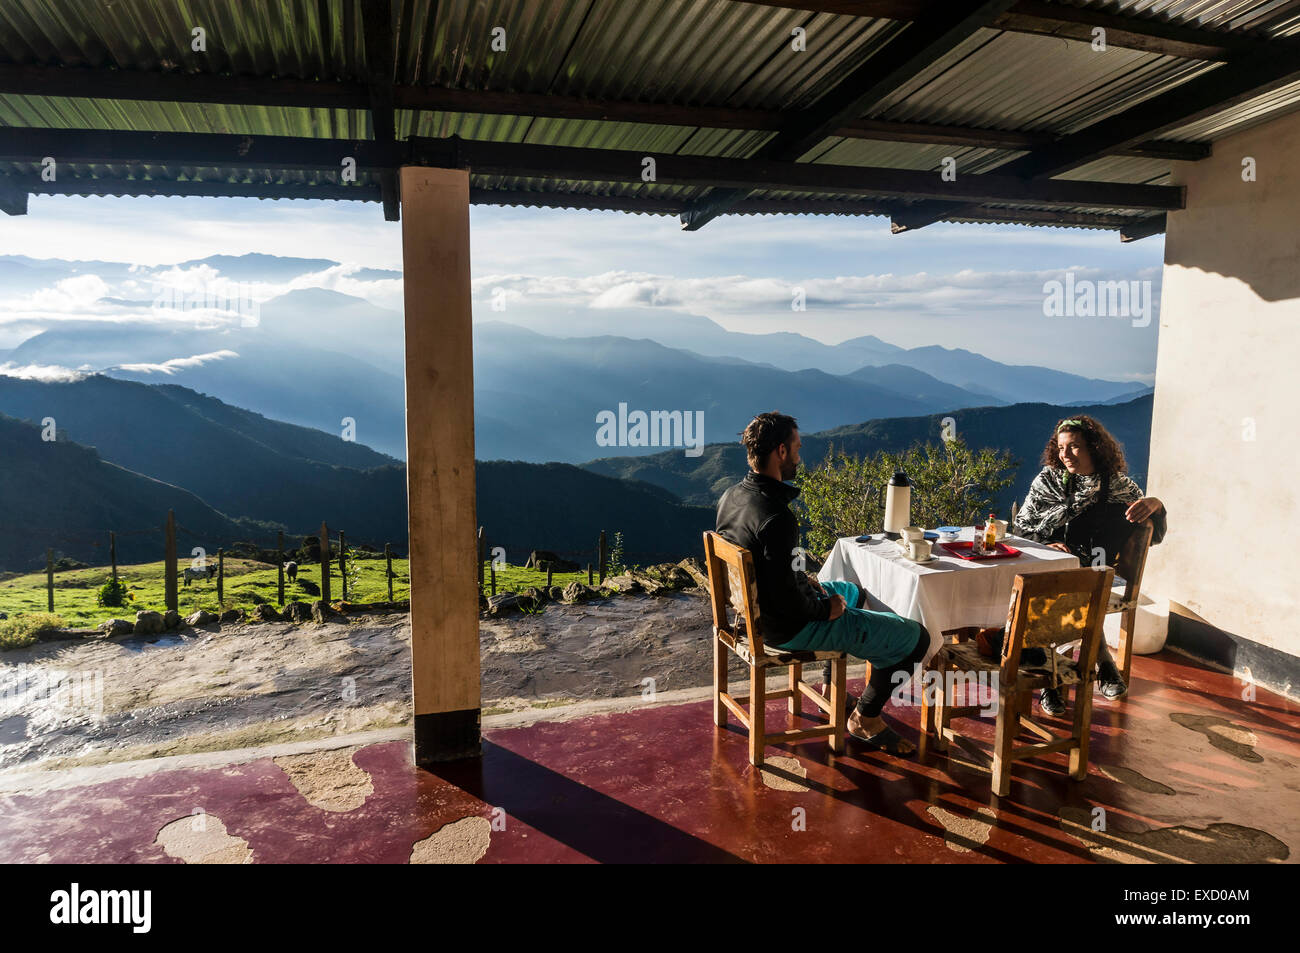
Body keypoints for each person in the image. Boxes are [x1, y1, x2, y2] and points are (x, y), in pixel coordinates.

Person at [715, 411, 930, 756]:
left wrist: (805, 582)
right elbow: (788, 602)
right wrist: (823, 608)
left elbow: (772, 573)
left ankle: (834, 691)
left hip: (756, 618)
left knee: (854, 592)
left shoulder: (731, 497)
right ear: (781, 452)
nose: (800, 456)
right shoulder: (777, 516)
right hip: (787, 628)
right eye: (797, 448)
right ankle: (866, 719)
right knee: (917, 639)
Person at [1015, 415, 1167, 714]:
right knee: (1066, 586)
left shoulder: (1118, 486)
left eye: (1074, 447)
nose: (1065, 455)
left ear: (1094, 448)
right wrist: (1045, 545)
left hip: (1095, 572)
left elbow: (1154, 534)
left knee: (1078, 587)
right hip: (1049, 567)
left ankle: (1052, 681)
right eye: (1060, 447)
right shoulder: (1047, 481)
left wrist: (1157, 505)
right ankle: (1104, 664)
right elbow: (1021, 529)